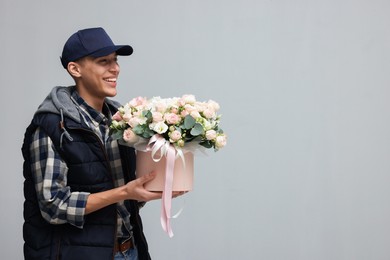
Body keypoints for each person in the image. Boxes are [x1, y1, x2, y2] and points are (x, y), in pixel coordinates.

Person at [21, 27, 167, 260]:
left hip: (130, 250)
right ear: (75, 69)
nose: (115, 68)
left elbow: (125, 200)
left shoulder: (123, 121)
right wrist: (124, 192)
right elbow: (53, 205)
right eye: (103, 61)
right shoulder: (53, 126)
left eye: (115, 61)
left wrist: (153, 187)